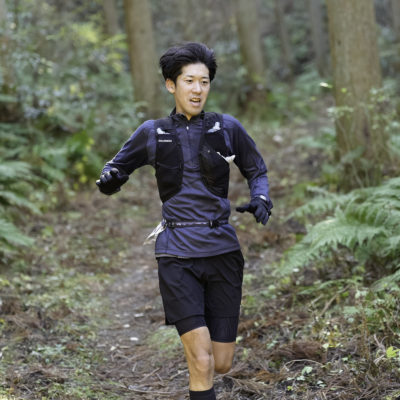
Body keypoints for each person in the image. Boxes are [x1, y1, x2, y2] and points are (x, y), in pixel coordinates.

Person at [96, 42, 272, 400]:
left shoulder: (227, 127)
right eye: (189, 81)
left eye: (204, 82)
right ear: (171, 85)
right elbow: (115, 169)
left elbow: (256, 169)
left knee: (222, 362)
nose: (197, 89)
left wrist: (261, 198)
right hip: (176, 253)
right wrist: (110, 180)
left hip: (223, 251)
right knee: (202, 361)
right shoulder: (152, 132)